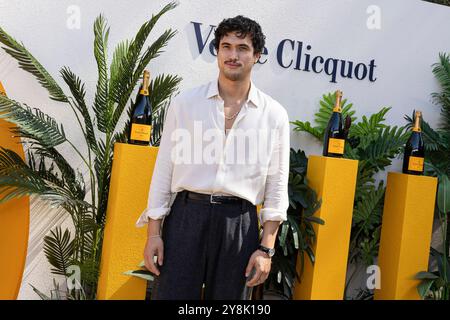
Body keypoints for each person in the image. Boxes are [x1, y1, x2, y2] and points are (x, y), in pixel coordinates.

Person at [136, 15, 290, 300]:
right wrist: (154, 234)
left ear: (256, 55)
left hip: (239, 224)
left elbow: (277, 186)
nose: (233, 55)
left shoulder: (274, 115)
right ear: (217, 51)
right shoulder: (185, 104)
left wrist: (266, 248)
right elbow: (164, 170)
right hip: (186, 218)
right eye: (226, 46)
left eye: (242, 48)